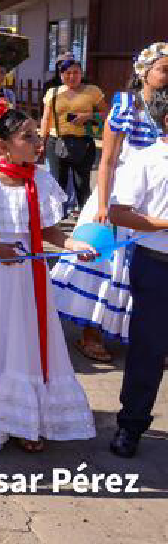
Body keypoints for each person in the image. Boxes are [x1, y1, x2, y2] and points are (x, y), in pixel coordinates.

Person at [0, 98, 96, 453]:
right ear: (2, 145)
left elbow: (48, 231)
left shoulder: (41, 179)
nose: (38, 142)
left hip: (28, 276)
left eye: (36, 135)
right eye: (28, 136)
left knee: (26, 342)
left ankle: (24, 419)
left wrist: (71, 244)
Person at [50, 43, 168, 361]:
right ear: (143, 71)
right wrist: (103, 204)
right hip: (119, 194)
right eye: (164, 69)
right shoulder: (125, 103)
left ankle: (145, 335)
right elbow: (108, 161)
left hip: (154, 196)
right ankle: (90, 333)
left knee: (144, 265)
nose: (167, 76)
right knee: (105, 262)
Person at [107, 89, 168, 458]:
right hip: (156, 264)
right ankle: (131, 426)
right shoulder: (146, 161)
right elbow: (119, 213)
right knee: (149, 349)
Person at [39, 56, 107, 212]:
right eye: (67, 73)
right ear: (61, 75)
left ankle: (85, 216)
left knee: (82, 183)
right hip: (57, 142)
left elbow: (106, 113)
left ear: (81, 73)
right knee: (57, 183)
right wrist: (42, 141)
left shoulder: (93, 91)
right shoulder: (52, 92)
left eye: (76, 72)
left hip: (83, 142)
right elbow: (46, 118)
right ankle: (56, 217)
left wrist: (88, 116)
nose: (72, 76)